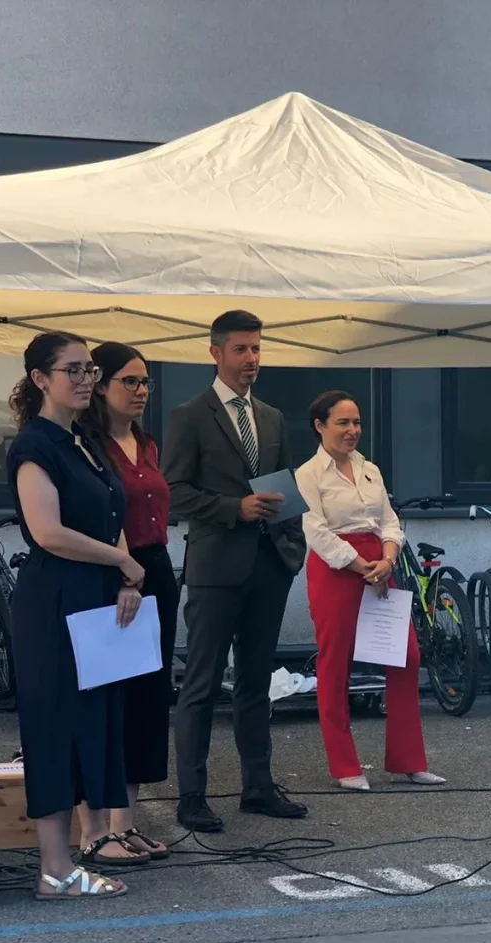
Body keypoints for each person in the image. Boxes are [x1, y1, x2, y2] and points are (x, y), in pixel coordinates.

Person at [7, 331, 147, 899]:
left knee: (93, 725)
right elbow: (49, 533)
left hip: (95, 598)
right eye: (73, 370)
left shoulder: (84, 442)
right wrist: (122, 559)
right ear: (41, 379)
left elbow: (110, 509)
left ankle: (78, 854)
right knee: (55, 729)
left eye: (90, 370)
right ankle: (55, 869)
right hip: (54, 604)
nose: (87, 379)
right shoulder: (33, 445)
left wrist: (123, 576)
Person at [161, 309, 307, 832]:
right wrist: (234, 509)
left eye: (257, 349)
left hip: (269, 566)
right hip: (216, 565)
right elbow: (173, 491)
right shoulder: (190, 415)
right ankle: (192, 796)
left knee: (255, 681)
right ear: (215, 352)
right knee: (200, 685)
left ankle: (258, 787)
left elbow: (285, 487)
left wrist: (292, 551)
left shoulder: (268, 416)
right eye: (242, 350)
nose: (252, 359)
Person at [295, 390, 445, 791]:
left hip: (380, 565)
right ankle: (345, 766)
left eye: (357, 422)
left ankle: (408, 760)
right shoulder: (308, 474)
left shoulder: (371, 469)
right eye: (343, 422)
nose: (352, 430)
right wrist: (362, 566)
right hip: (337, 569)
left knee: (406, 657)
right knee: (336, 663)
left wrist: (388, 559)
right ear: (320, 426)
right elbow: (316, 531)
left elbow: (389, 521)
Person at [79, 342, 179, 857]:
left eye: (146, 383)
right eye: (130, 382)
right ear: (100, 384)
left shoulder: (147, 442)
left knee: (145, 700)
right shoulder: (87, 446)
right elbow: (98, 519)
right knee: (105, 700)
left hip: (155, 570)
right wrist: (123, 573)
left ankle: (125, 822)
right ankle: (93, 830)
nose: (141, 391)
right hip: (114, 576)